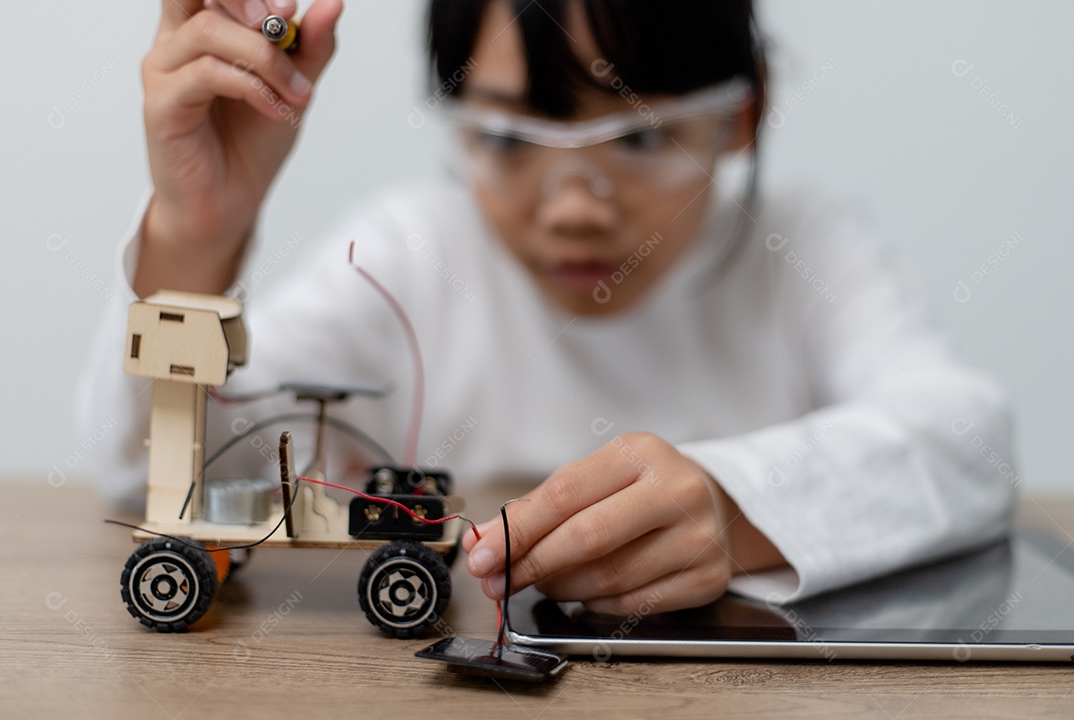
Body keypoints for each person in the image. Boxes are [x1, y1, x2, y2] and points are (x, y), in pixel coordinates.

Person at [78, 0, 1015, 617]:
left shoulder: (804, 248)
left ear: (741, 116)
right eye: (506, 137)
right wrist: (199, 229)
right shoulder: (410, 254)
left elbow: (968, 437)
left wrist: (736, 506)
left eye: (641, 137)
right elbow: (142, 466)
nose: (572, 206)